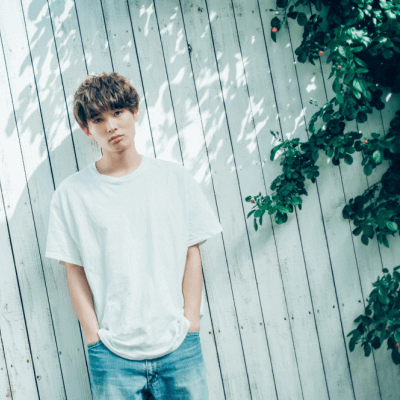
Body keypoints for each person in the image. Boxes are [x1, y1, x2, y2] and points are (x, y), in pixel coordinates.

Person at [45, 72, 223, 399]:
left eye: (118, 112)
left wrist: (191, 324)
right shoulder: (71, 195)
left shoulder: (174, 179)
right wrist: (94, 339)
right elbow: (74, 270)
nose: (111, 126)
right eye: (98, 119)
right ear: (87, 129)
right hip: (112, 353)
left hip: (179, 345)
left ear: (135, 111)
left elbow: (191, 252)